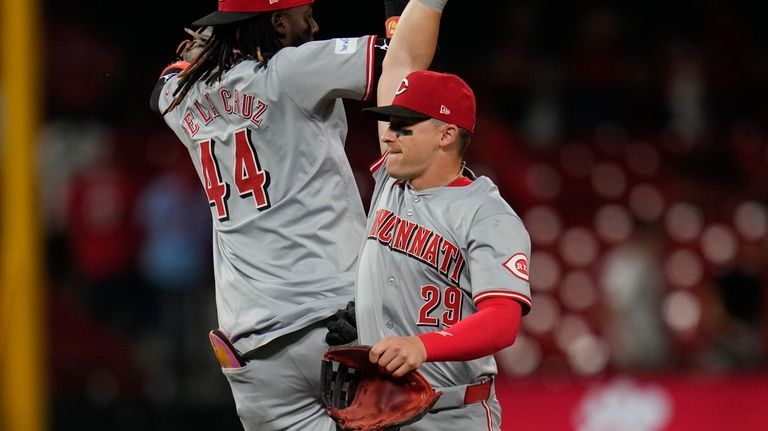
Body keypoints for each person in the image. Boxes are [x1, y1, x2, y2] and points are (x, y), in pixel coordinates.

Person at [148, 0, 441, 429]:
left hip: (252, 353)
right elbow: (405, 61)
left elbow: (159, 90)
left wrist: (201, 55)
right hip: (335, 324)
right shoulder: (290, 71)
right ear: (278, 23)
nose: (315, 23)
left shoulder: (188, 94)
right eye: (305, 15)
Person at [354, 4, 533, 428]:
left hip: (454, 413)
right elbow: (398, 62)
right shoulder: (391, 182)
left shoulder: (487, 214)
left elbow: (503, 322)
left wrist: (423, 346)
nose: (389, 136)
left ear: (446, 134)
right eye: (389, 124)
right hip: (379, 410)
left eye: (403, 127)